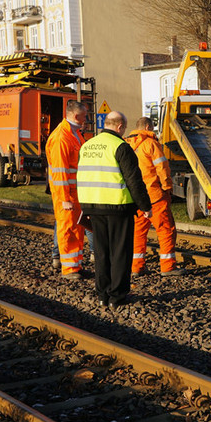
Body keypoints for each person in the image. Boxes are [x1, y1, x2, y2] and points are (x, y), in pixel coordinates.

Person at [77, 111, 152, 310]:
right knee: (120, 252)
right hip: (118, 207)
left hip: (93, 206)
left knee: (101, 252)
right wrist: (145, 206)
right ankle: (116, 296)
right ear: (120, 127)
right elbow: (134, 181)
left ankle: (102, 294)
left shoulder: (87, 146)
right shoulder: (121, 147)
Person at [125, 117, 184, 277]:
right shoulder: (151, 144)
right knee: (165, 230)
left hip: (135, 196)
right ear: (147, 127)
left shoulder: (127, 144)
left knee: (138, 232)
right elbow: (162, 167)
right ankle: (167, 267)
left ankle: (136, 267)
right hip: (154, 195)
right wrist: (167, 187)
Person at [46, 100, 88, 279]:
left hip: (74, 192)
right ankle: (69, 269)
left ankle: (75, 265)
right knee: (67, 228)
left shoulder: (74, 134)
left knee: (76, 228)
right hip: (67, 193)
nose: (86, 119)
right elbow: (60, 171)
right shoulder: (62, 137)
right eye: (85, 116)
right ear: (76, 116)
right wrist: (65, 198)